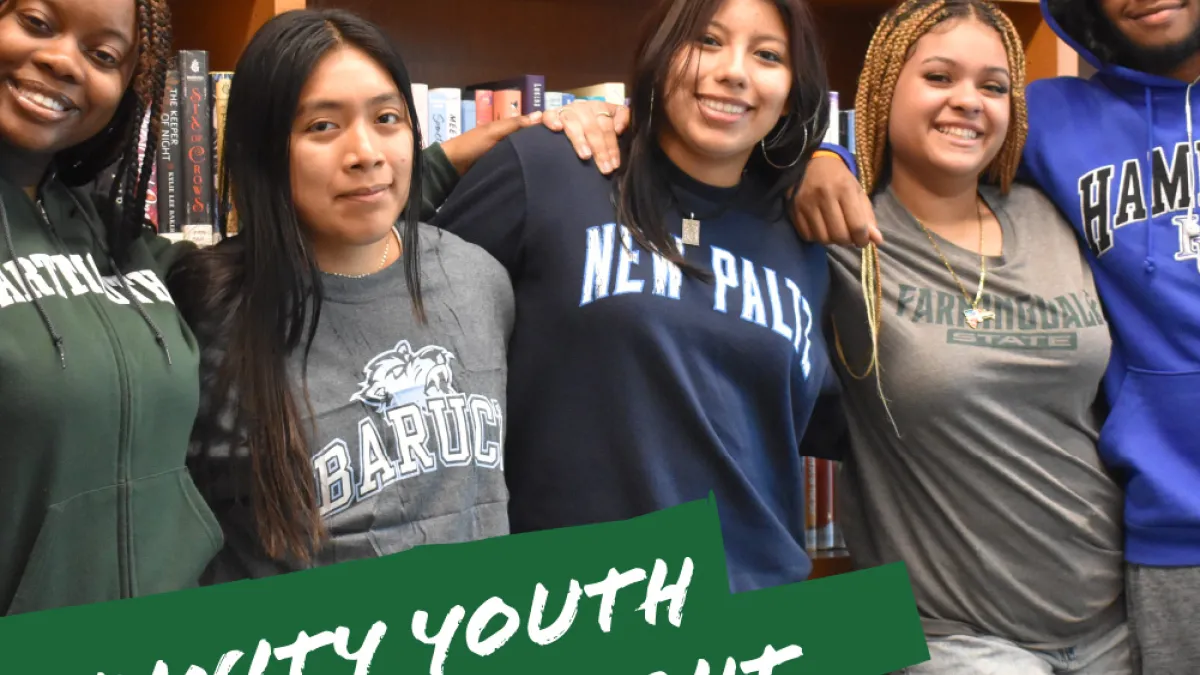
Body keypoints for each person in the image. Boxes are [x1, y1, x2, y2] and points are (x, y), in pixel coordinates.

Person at [790, 0, 1200, 670]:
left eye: (992, 86)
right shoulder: (838, 233)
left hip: (1109, 606)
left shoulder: (1046, 206)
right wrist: (819, 152)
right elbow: (702, 165)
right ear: (884, 86)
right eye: (938, 77)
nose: (968, 102)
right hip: (958, 635)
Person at [431, 0, 842, 593]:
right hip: (573, 614)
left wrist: (835, 158)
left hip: (759, 617)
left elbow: (844, 426)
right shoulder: (550, 168)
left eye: (768, 55)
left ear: (793, 89)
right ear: (660, 50)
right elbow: (391, 293)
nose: (734, 71)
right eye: (706, 41)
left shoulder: (807, 233)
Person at [167, 8, 517, 580]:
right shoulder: (207, 311)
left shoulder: (478, 280)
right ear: (264, 149)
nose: (366, 154)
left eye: (387, 118)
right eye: (322, 127)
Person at [0, 0, 227, 616]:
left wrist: (413, 174)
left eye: (103, 56)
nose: (60, 60)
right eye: (36, 23)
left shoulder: (111, 233)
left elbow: (261, 266)